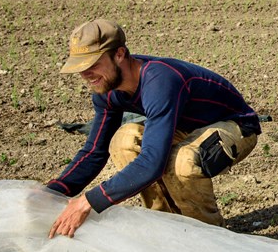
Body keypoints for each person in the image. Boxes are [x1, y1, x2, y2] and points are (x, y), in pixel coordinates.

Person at [46, 18, 261, 238]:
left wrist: (88, 202)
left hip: (235, 126)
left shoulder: (160, 80)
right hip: (182, 127)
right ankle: (167, 228)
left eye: (92, 64)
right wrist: (51, 192)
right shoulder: (107, 90)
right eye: (80, 68)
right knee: (124, 142)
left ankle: (208, 237)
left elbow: (152, 164)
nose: (85, 74)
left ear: (119, 54)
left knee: (183, 161)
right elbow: (94, 151)